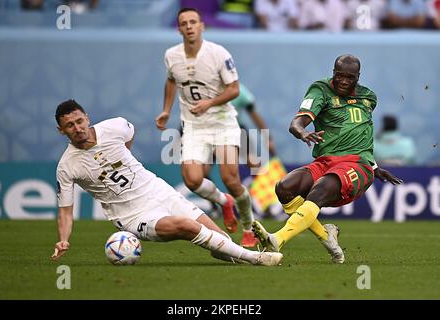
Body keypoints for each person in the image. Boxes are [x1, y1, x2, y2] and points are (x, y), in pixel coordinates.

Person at [50, 100, 283, 266]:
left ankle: (226, 251)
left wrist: (126, 162)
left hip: (158, 190)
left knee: (222, 240)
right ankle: (257, 259)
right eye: (70, 126)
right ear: (62, 131)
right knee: (187, 227)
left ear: (86, 117)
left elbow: (129, 135)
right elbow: (66, 212)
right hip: (133, 216)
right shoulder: (67, 166)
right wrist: (63, 239)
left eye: (79, 121)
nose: (78, 128)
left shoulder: (115, 126)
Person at [252, 54, 403, 263]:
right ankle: (328, 237)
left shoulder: (369, 98)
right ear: (333, 72)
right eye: (339, 75)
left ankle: (277, 239)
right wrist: (302, 132)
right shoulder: (320, 90)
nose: (342, 81)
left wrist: (374, 166)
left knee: (320, 188)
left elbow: (362, 133)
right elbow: (297, 122)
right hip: (325, 161)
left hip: (356, 165)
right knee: (284, 187)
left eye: (349, 77)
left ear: (358, 77)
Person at [155, 7, 258, 247]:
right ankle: (225, 202)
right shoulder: (171, 55)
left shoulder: (218, 53)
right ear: (179, 28)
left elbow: (233, 89)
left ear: (202, 26)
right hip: (193, 126)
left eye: (193, 22)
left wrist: (209, 103)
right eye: (184, 23)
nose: (189, 26)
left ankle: (249, 228)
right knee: (191, 179)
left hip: (223, 123)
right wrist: (166, 110)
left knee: (230, 178)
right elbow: (171, 80)